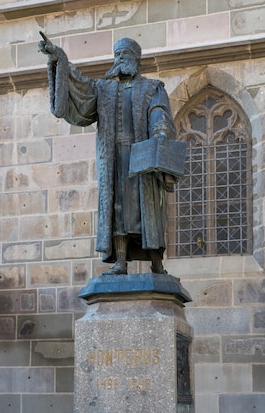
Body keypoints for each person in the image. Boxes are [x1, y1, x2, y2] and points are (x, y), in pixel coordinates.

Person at [38, 33, 178, 275]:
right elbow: (80, 87)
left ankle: (157, 263)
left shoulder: (152, 88)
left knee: (150, 211)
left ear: (136, 60)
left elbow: (159, 113)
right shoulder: (103, 89)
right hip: (114, 159)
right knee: (118, 210)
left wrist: (160, 132)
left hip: (143, 157)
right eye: (117, 55)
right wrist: (59, 59)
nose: (121, 58)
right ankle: (120, 261)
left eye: (126, 54)